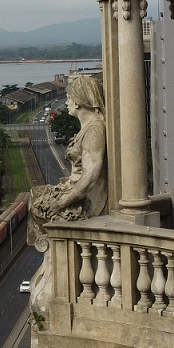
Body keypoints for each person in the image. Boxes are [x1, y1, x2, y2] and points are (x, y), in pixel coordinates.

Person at [29, 75, 107, 251]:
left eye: (69, 98)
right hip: (75, 188)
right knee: (36, 195)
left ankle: (49, 251)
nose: (66, 103)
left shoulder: (94, 131)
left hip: (86, 198)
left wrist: (62, 202)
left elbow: (90, 177)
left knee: (38, 206)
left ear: (78, 101)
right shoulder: (88, 128)